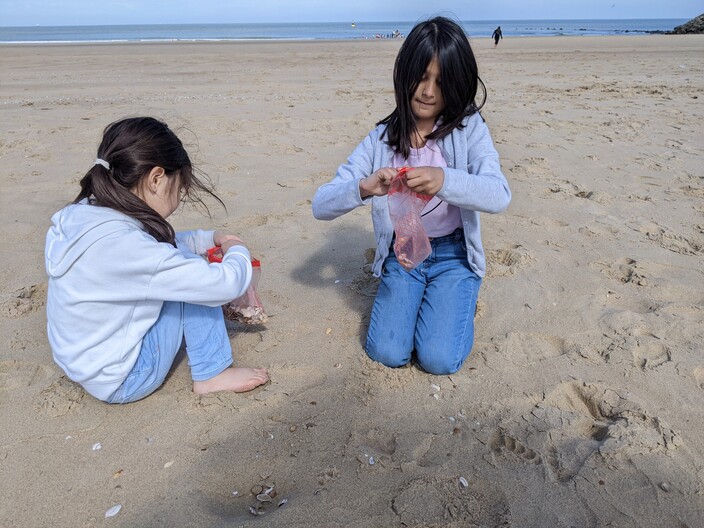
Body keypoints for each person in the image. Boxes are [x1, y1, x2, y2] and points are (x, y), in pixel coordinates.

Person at [312, 16, 511, 375]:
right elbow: (321, 204)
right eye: (421, 76)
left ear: (456, 82)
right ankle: (420, 300)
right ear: (404, 73)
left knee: (439, 359)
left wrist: (444, 179)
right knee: (388, 352)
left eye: (441, 80)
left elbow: (499, 194)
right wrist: (364, 187)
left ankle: (457, 296)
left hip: (454, 255)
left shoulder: (468, 129)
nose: (428, 91)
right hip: (404, 254)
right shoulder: (380, 140)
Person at [45, 117, 269, 403]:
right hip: (125, 378)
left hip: (83, 362)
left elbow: (149, 246)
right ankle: (213, 373)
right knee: (191, 275)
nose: (179, 197)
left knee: (178, 263)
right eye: (179, 188)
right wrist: (237, 248)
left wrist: (209, 238)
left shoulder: (80, 216)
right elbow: (219, 285)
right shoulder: (130, 249)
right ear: (156, 179)